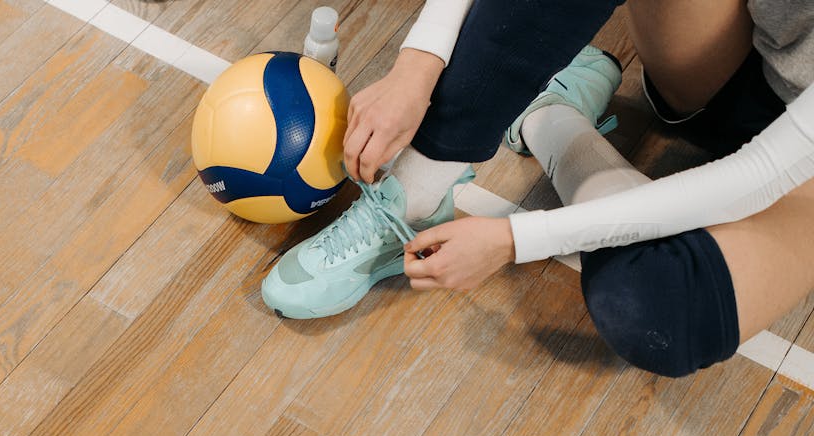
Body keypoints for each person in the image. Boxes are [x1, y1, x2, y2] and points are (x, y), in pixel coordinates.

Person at [262, 0, 814, 378]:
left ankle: (551, 117)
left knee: (660, 309)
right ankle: (420, 191)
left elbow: (756, 175)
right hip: (746, 62)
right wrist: (416, 67)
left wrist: (516, 238)